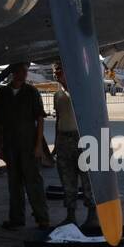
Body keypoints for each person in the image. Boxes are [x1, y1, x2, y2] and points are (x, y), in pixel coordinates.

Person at [0, 62, 52, 231]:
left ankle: (43, 218)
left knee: (34, 182)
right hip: (11, 145)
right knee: (14, 183)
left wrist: (39, 145)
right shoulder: (2, 93)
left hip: (29, 144)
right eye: (22, 71)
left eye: (26, 71)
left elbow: (39, 118)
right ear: (14, 72)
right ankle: (16, 218)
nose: (25, 74)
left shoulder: (31, 92)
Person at [51, 65, 96, 229]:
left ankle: (92, 215)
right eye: (56, 72)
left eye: (60, 71)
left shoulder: (82, 92)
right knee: (67, 179)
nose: (57, 74)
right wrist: (56, 145)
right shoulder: (58, 95)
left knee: (87, 179)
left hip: (82, 139)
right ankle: (71, 216)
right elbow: (59, 120)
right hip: (64, 139)